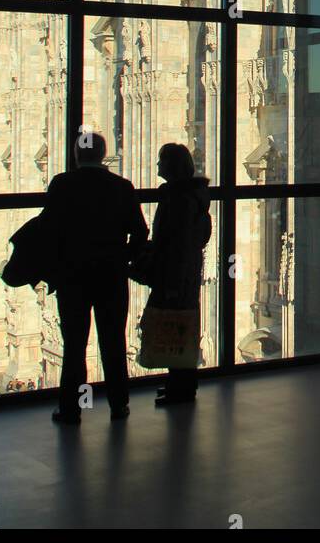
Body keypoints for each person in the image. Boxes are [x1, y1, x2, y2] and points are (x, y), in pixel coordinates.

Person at [40, 131, 148, 424]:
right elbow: (140, 232)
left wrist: (54, 265)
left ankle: (71, 409)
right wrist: (124, 258)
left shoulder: (62, 184)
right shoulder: (122, 187)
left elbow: (47, 230)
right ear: (102, 155)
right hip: (110, 276)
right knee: (113, 341)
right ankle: (118, 405)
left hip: (73, 276)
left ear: (76, 155)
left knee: (74, 344)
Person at [146, 143, 211, 407]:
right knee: (179, 326)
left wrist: (172, 280)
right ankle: (180, 385)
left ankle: (182, 389)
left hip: (177, 274)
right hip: (185, 272)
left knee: (176, 327)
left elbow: (178, 241)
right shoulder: (190, 195)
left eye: (162, 160)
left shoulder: (180, 199)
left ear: (172, 166)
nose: (158, 165)